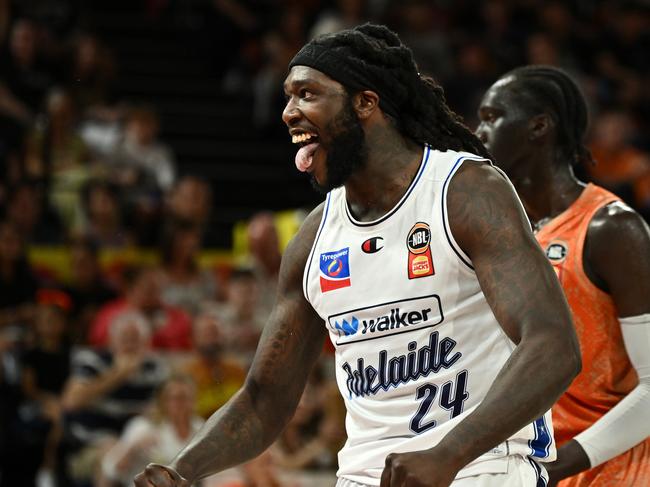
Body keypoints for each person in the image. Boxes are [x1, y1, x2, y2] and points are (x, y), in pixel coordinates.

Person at [135, 24, 580, 487]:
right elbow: (264, 400)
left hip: (482, 466)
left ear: (365, 103)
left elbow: (554, 347)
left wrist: (447, 455)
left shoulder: (464, 193)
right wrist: (180, 470)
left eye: (307, 94)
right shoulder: (314, 239)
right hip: (366, 476)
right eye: (287, 97)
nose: (288, 112)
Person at [475, 65, 650, 486]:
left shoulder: (611, 229)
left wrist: (554, 468)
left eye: (491, 117)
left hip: (613, 473)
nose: (477, 132)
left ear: (539, 127)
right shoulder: (497, 234)